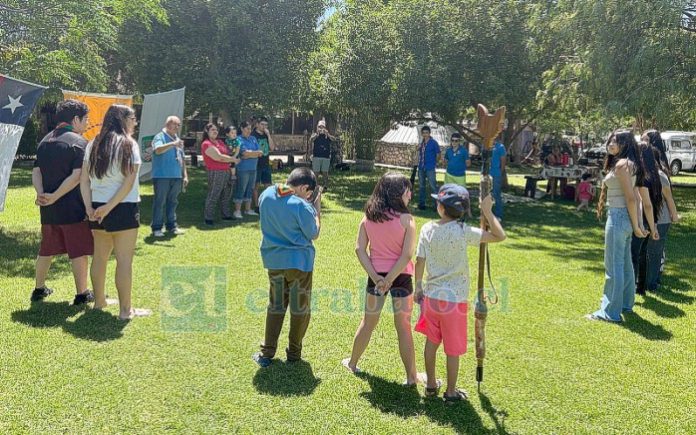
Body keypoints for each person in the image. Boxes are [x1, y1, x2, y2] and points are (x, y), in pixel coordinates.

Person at [414, 184, 505, 402]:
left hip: (431, 298)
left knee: (431, 343)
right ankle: (451, 392)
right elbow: (499, 235)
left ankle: (430, 385)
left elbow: (419, 260)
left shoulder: (427, 229)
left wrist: (418, 286)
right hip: (454, 302)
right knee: (452, 349)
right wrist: (488, 212)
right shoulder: (463, 232)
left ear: (442, 208)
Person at [342, 172, 419, 386]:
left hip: (377, 278)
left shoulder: (368, 218)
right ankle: (411, 377)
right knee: (403, 326)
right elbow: (406, 255)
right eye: (407, 190)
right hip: (401, 277)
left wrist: (377, 278)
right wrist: (391, 279)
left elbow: (359, 249)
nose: (410, 194)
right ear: (396, 194)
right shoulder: (407, 220)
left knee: (368, 322)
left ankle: (352, 363)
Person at [80, 105, 151, 320]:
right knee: (124, 260)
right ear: (123, 119)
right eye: (133, 118)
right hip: (122, 206)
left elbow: (84, 180)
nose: (135, 123)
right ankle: (125, 311)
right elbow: (129, 183)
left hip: (97, 206)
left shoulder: (93, 143)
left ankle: (99, 302)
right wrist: (108, 208)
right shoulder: (129, 144)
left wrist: (90, 208)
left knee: (100, 257)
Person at [253, 167, 322, 367]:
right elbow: (314, 233)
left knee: (275, 306)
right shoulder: (302, 206)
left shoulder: (266, 194)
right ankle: (294, 353)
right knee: (300, 309)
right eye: (309, 192)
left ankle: (267, 352)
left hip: (273, 261)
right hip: (299, 264)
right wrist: (316, 209)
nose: (309, 196)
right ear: (303, 187)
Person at [31, 99, 94, 305]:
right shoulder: (79, 143)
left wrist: (42, 194)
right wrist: (56, 195)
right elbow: (77, 176)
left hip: (48, 210)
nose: (87, 124)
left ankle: (39, 289)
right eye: (85, 119)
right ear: (75, 119)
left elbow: (36, 171)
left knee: (46, 249)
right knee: (78, 251)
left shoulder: (44, 141)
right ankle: (82, 293)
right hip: (72, 209)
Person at [587, 131, 647, 322]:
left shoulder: (622, 165)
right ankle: (625, 304)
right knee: (625, 264)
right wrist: (636, 224)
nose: (611, 143)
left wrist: (637, 225)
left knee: (614, 266)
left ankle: (610, 312)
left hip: (619, 216)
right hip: (625, 219)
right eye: (610, 140)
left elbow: (632, 198)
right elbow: (636, 198)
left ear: (626, 144)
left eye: (616, 141)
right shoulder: (630, 164)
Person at [645, 130, 680, 288]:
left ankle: (652, 281)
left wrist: (674, 215)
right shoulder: (644, 173)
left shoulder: (660, 174)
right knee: (650, 250)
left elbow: (669, 198)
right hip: (650, 217)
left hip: (660, 217)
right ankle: (649, 279)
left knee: (654, 250)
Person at [631, 142, 663, 294]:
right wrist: (653, 225)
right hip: (650, 219)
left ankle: (633, 287)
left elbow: (647, 204)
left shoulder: (643, 176)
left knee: (634, 255)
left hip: (643, 218)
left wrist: (651, 226)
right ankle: (640, 287)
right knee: (642, 254)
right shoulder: (655, 175)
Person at [150, 116, 188, 237]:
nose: (177, 127)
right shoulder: (160, 136)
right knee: (160, 202)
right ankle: (156, 227)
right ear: (168, 124)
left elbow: (182, 159)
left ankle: (172, 226)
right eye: (175, 124)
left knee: (173, 201)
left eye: (179, 125)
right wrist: (172, 144)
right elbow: (157, 150)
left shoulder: (177, 139)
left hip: (176, 176)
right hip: (162, 176)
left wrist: (185, 175)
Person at [202, 123, 239, 225]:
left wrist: (233, 156)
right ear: (207, 132)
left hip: (226, 170)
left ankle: (226, 215)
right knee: (214, 194)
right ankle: (208, 218)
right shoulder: (206, 144)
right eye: (212, 130)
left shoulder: (220, 142)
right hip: (215, 172)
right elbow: (218, 157)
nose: (215, 132)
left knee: (226, 194)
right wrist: (232, 159)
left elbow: (227, 153)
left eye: (216, 130)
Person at [234, 121, 263, 219]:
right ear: (242, 128)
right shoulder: (238, 139)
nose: (249, 131)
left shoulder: (253, 139)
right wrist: (252, 154)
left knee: (250, 189)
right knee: (241, 188)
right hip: (243, 169)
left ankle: (248, 209)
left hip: (253, 168)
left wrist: (251, 153)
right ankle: (237, 210)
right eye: (247, 128)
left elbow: (260, 153)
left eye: (250, 129)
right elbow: (244, 154)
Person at [252, 117, 275, 210]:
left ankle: (268, 204)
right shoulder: (253, 135)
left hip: (266, 163)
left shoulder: (266, 135)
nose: (264, 127)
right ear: (257, 124)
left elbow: (272, 148)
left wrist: (269, 135)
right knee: (256, 186)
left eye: (266, 125)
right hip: (256, 164)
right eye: (262, 124)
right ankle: (256, 205)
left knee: (268, 186)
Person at [416, 125, 440, 210]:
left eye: (427, 133)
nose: (425, 134)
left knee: (433, 186)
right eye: (423, 133)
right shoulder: (421, 143)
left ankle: (436, 206)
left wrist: (434, 162)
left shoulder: (434, 143)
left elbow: (438, 154)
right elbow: (418, 152)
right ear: (422, 134)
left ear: (429, 133)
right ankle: (422, 204)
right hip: (421, 167)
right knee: (422, 186)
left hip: (430, 168)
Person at [310, 120, 336, 190]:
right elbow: (311, 140)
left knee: (325, 172)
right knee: (316, 172)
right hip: (316, 156)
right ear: (317, 127)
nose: (321, 128)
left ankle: (325, 186)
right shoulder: (315, 134)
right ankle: (316, 186)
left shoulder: (327, 135)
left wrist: (328, 135)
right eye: (319, 127)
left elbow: (334, 139)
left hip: (326, 156)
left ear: (325, 127)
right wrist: (317, 134)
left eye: (322, 127)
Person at [490, 138, 507, 220]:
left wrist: (500, 171)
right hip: (486, 173)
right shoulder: (485, 145)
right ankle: (486, 213)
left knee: (496, 193)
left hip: (496, 173)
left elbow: (503, 160)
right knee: (485, 193)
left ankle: (498, 214)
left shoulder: (500, 147)